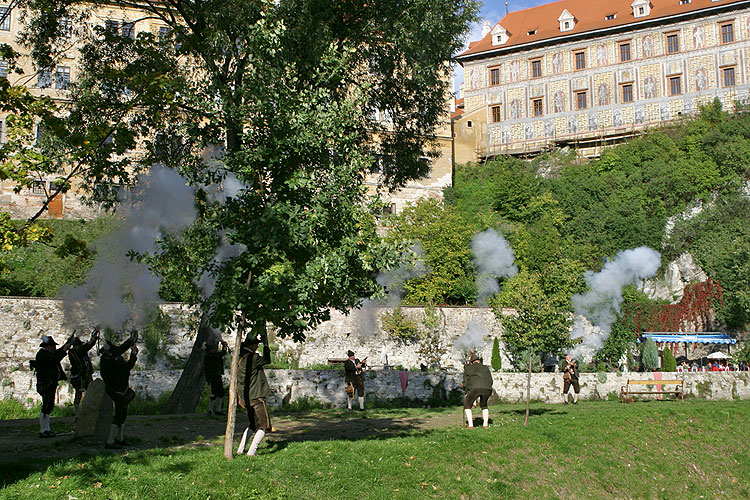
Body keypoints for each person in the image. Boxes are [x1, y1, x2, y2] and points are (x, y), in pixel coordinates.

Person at [236, 331, 273, 456]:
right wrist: (266, 344)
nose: (258, 346)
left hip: (246, 397)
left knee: (253, 424)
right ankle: (252, 451)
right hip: (256, 396)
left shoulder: (240, 357)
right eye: (257, 344)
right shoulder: (252, 358)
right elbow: (267, 360)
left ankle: (241, 449)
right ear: (252, 345)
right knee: (264, 425)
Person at [100, 331, 138, 449]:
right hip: (116, 390)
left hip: (121, 388)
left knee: (123, 413)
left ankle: (120, 438)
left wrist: (130, 340)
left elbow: (119, 349)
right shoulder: (110, 363)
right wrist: (133, 355)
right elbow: (127, 367)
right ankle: (110, 441)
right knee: (119, 414)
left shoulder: (109, 356)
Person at [32, 334, 73, 437]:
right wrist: (64, 350)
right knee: (46, 406)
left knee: (49, 406)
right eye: (52, 346)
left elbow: (56, 354)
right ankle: (43, 430)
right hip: (46, 384)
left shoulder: (46, 353)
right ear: (48, 346)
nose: (54, 348)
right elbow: (55, 358)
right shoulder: (43, 354)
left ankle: (47, 429)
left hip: (49, 383)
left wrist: (66, 345)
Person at [67, 329, 99, 420]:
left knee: (90, 393)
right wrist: (93, 337)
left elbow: (85, 347)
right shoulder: (74, 352)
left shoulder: (80, 351)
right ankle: (78, 414)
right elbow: (87, 346)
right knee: (78, 396)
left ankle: (89, 413)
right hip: (80, 376)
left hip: (86, 375)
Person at [462, 351, 493, 428]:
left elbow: (465, 381)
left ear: (471, 362)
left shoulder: (468, 367)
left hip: (474, 388)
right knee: (484, 405)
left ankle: (470, 425)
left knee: (467, 406)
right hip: (487, 388)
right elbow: (491, 380)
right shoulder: (486, 367)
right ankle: (485, 425)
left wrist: (466, 391)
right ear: (479, 360)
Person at [204, 339, 228, 416]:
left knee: (216, 393)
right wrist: (224, 346)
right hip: (215, 377)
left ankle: (212, 409)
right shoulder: (210, 356)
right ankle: (215, 410)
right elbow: (222, 353)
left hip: (214, 377)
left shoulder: (209, 356)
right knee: (218, 393)